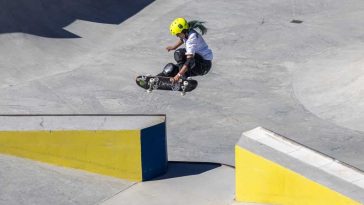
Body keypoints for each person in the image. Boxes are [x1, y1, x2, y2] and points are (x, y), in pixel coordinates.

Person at [157, 18, 213, 83]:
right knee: (171, 68)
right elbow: (182, 39)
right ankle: (157, 79)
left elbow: (189, 60)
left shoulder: (191, 38)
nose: (177, 36)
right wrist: (173, 47)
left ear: (183, 31)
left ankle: (183, 77)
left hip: (203, 65)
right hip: (197, 62)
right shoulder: (187, 33)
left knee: (179, 53)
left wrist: (178, 75)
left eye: (178, 34)